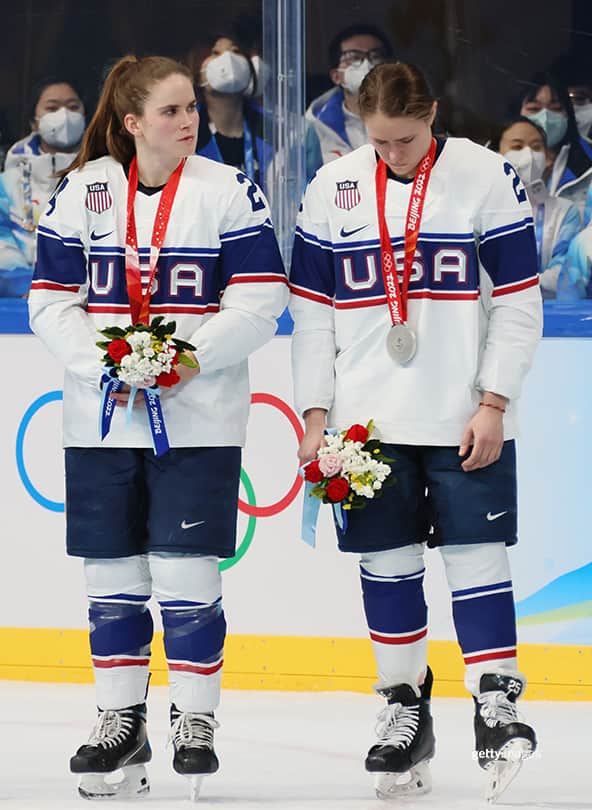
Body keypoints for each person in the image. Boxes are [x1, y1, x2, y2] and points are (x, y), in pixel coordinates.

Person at [28, 55, 286, 802]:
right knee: (111, 579)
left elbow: (261, 297)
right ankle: (120, 720)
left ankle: (195, 720)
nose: (188, 121)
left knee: (185, 573)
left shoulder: (227, 189)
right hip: (102, 423)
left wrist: (187, 360)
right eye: (171, 111)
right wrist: (105, 362)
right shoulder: (83, 191)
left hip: (198, 422)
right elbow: (50, 300)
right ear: (133, 122)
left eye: (191, 109)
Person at [290, 62, 542, 801]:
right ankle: (403, 706)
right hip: (366, 423)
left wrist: (494, 401)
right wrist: (314, 414)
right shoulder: (331, 189)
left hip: (465, 412)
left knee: (477, 559)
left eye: (404, 139)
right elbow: (311, 312)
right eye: (379, 141)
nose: (392, 154)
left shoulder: (486, 177)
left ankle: (495, 700)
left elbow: (519, 304)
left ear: (432, 114)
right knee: (387, 569)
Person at [0, 78, 85, 297]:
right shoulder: (7, 184)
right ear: (34, 121)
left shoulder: (103, 176)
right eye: (52, 108)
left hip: (86, 303)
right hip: (18, 307)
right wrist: (31, 288)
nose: (64, 115)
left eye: (73, 107)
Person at [496, 118, 584, 297]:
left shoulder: (565, 211)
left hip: (549, 314)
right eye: (517, 147)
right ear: (497, 155)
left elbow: (564, 273)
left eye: (536, 147)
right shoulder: (480, 209)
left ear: (548, 159)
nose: (528, 154)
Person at [305, 24, 393, 165]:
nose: (366, 64)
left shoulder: (409, 115)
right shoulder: (315, 127)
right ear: (336, 76)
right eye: (354, 57)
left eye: (375, 56)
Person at [190, 35, 270, 191]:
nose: (228, 58)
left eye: (235, 51)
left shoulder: (277, 130)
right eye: (215, 53)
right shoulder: (187, 133)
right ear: (198, 74)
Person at [517, 76, 592, 205]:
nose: (545, 118)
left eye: (556, 108)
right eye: (534, 109)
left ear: (569, 115)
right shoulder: (495, 161)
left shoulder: (587, 161)